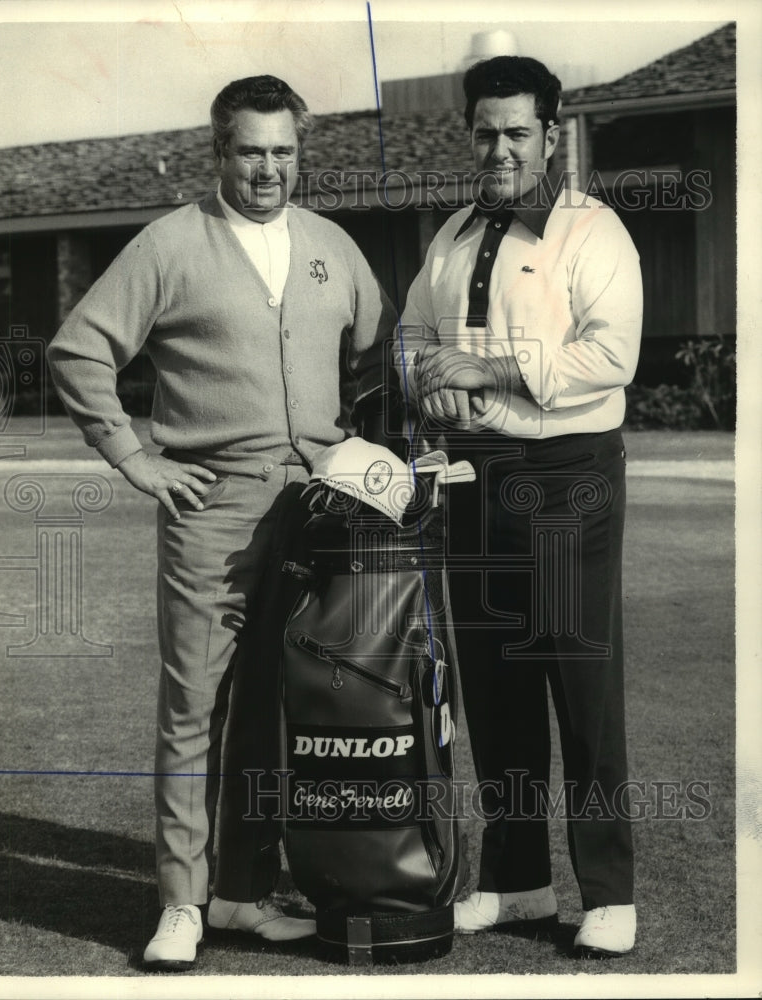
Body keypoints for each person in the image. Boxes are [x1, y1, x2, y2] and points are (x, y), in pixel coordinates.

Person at [47, 74, 396, 971]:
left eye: (283, 151)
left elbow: (374, 348)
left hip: (319, 508)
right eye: (250, 151)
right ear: (219, 153)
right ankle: (180, 901)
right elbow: (78, 350)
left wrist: (349, 444)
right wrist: (135, 458)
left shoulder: (329, 244)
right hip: (211, 506)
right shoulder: (170, 243)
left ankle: (240, 891)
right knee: (193, 707)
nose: (269, 168)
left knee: (284, 707)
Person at [395, 56, 642, 957]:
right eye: (484, 131)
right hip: (473, 475)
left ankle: (607, 890)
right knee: (493, 686)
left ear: (550, 134)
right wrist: (428, 384)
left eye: (515, 132)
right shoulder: (455, 232)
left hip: (566, 477)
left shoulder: (592, 230)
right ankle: (517, 879)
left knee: (579, 687)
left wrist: (488, 371)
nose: (498, 148)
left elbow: (610, 356)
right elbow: (414, 334)